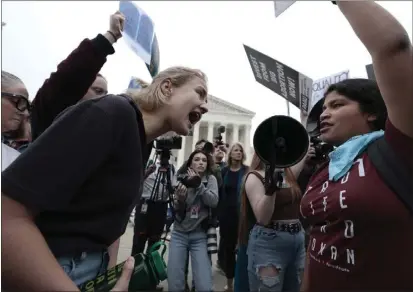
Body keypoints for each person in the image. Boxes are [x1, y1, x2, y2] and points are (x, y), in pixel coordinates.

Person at [2, 66, 209, 290]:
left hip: (90, 273)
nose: (206, 106)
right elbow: (7, 213)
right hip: (56, 271)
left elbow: (110, 226)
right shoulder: (111, 113)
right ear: (167, 87)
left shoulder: (141, 139)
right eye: (200, 93)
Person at [300, 2, 413, 291]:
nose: (324, 114)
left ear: (371, 112)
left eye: (337, 105)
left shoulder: (399, 147)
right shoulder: (328, 166)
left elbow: (393, 47)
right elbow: (318, 246)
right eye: (323, 107)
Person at [238, 151, 311, 292]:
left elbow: (302, 151)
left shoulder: (289, 174)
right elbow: (263, 218)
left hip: (297, 240)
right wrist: (270, 190)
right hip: (268, 243)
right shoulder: (254, 177)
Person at [167, 149, 219, 292]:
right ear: (190, 163)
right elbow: (177, 211)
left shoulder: (210, 179)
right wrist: (181, 201)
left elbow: (213, 201)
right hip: (179, 234)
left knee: (204, 285)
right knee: (175, 283)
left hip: (199, 235)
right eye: (196, 159)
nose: (200, 163)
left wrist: (199, 186)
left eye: (204, 160)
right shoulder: (180, 178)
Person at [218, 142, 248, 291]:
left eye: (240, 151)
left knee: (243, 249)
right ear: (230, 154)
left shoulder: (247, 171)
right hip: (227, 217)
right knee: (229, 251)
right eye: (235, 150)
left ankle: (242, 283)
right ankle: (230, 284)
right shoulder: (224, 171)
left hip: (242, 215)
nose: (238, 153)